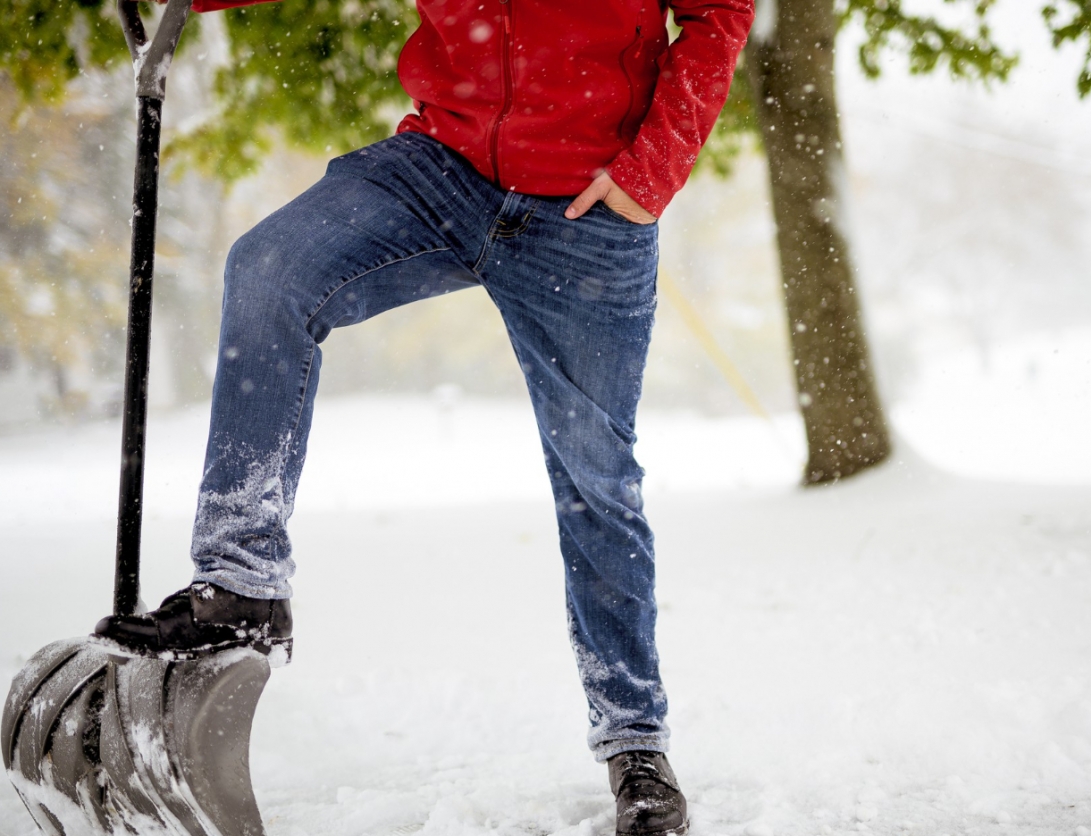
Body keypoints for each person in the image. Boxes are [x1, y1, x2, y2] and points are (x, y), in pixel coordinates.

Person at [93, 0, 753, 833]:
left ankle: (636, 743)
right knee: (269, 272)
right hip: (440, 170)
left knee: (597, 477)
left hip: (587, 211)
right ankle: (242, 582)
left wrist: (649, 172)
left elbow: (719, 11)